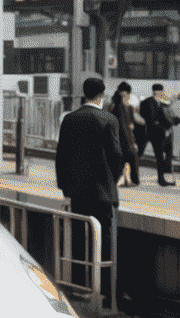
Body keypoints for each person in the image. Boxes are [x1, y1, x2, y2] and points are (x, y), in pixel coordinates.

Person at [54, 76, 129, 290]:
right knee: (104, 241)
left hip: (77, 192)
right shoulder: (108, 120)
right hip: (103, 194)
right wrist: (111, 182)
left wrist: (65, 187)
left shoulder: (70, 119)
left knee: (79, 238)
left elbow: (61, 156)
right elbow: (117, 156)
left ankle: (80, 284)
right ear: (102, 94)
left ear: (84, 94)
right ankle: (105, 290)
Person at [139, 84, 176, 185]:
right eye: (161, 91)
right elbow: (150, 120)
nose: (162, 93)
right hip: (147, 133)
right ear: (156, 92)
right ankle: (131, 176)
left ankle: (161, 180)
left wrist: (170, 125)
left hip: (156, 134)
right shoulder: (147, 102)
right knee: (138, 154)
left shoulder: (158, 103)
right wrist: (163, 128)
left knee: (159, 157)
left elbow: (162, 118)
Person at [108, 82, 140, 187]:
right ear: (123, 93)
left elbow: (131, 125)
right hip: (122, 138)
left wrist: (133, 138)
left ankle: (126, 180)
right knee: (127, 158)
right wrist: (131, 141)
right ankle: (125, 180)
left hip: (126, 138)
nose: (129, 96)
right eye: (127, 94)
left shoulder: (128, 108)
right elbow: (122, 126)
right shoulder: (117, 107)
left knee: (126, 159)